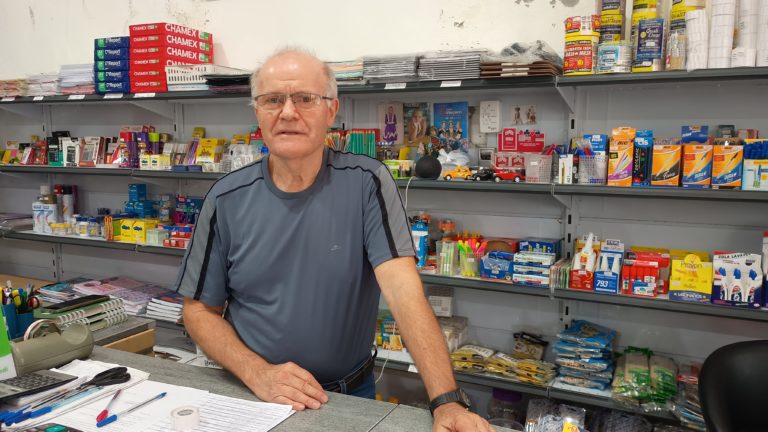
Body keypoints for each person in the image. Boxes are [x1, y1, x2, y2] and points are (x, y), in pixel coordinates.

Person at [177, 47, 492, 432]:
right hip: (253, 394)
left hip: (347, 395)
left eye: (305, 99)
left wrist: (446, 402)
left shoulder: (367, 183)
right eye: (273, 99)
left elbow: (405, 296)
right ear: (257, 111)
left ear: (331, 110)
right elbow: (198, 312)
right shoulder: (225, 198)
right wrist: (256, 372)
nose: (288, 112)